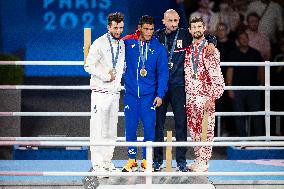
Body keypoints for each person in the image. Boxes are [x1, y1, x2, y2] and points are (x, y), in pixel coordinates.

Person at [153, 9, 217, 172]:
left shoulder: (185, 34)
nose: (173, 24)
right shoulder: (157, 36)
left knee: (181, 123)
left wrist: (212, 43)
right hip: (160, 87)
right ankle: (157, 160)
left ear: (179, 21)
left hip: (179, 87)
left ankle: (181, 161)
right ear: (164, 21)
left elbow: (206, 36)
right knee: (158, 124)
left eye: (176, 21)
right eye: (170, 21)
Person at [122, 15, 169, 172]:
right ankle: (131, 160)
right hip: (131, 94)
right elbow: (113, 42)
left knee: (149, 128)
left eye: (151, 29)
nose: (149, 32)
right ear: (139, 28)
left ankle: (146, 160)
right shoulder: (128, 43)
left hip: (149, 96)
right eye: (146, 29)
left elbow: (163, 74)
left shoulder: (159, 48)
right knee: (130, 128)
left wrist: (160, 95)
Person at [84, 12, 125, 173]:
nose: (118, 31)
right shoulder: (99, 43)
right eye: (115, 27)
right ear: (109, 27)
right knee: (98, 129)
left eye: (121, 27)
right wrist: (105, 76)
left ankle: (107, 162)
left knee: (110, 130)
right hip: (100, 92)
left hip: (115, 93)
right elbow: (88, 65)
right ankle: (97, 164)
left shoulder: (121, 44)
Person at [185, 17, 225, 172]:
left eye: (199, 27)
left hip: (205, 97)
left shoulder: (210, 50)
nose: (196, 30)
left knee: (206, 131)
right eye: (193, 27)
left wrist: (212, 98)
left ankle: (205, 162)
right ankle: (198, 160)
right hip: (191, 97)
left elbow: (217, 78)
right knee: (194, 131)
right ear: (189, 30)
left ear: (204, 29)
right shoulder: (188, 50)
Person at [226, 31, 264, 137]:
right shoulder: (233, 53)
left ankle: (259, 139)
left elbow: (261, 69)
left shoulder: (256, 53)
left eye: (245, 38)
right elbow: (230, 71)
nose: (244, 40)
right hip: (238, 89)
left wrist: (262, 84)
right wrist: (229, 89)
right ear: (238, 41)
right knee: (239, 115)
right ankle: (242, 138)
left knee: (257, 115)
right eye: (241, 38)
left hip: (254, 88)